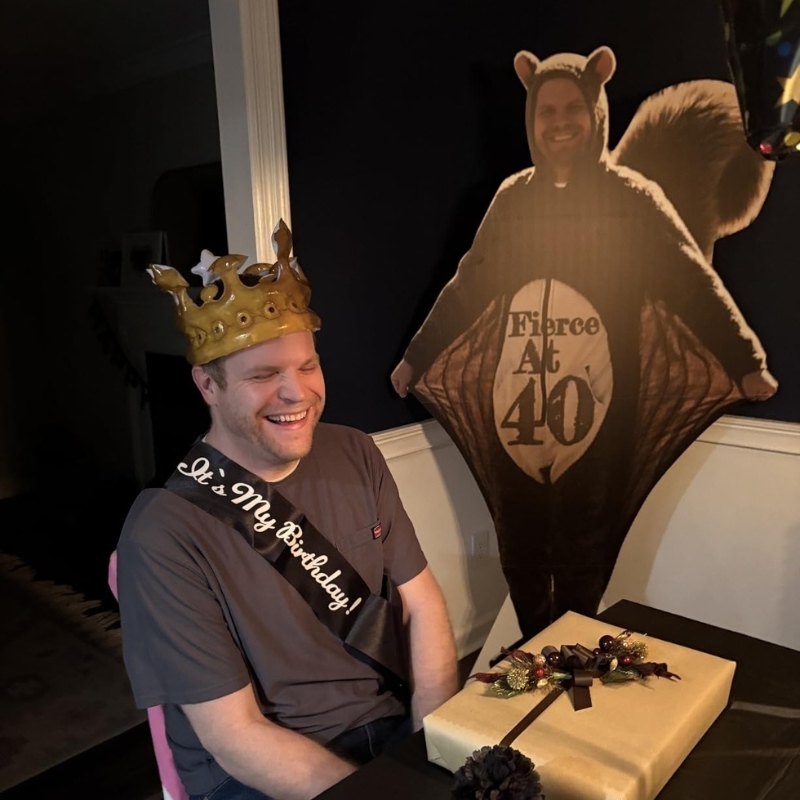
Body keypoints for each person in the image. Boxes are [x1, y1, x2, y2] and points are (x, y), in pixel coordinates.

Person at [391, 47, 777, 636]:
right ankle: (533, 646)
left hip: (599, 403)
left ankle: (570, 649)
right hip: (514, 403)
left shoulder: (634, 196)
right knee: (519, 536)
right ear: (531, 120)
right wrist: (417, 356)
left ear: (597, 112)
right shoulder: (513, 197)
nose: (561, 122)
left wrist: (744, 360)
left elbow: (690, 281)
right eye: (546, 111)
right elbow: (470, 283)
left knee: (583, 539)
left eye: (574, 107)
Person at [116, 222, 458, 800]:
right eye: (264, 375)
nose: (298, 393)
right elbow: (236, 737)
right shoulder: (162, 533)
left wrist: (439, 748)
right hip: (258, 769)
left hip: (391, 722)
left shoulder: (354, 450)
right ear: (208, 386)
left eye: (307, 365)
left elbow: (422, 604)